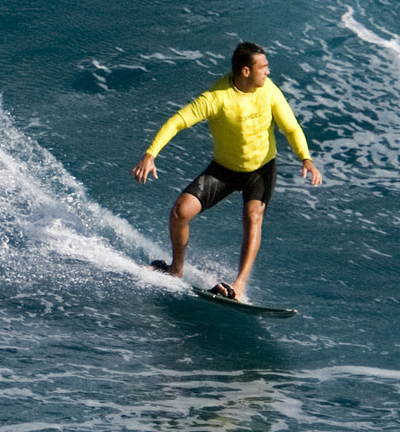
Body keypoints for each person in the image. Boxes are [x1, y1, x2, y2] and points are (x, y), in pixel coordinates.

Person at [133, 42, 322, 300]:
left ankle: (239, 285)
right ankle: (175, 269)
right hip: (224, 169)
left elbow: (290, 128)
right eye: (263, 67)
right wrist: (150, 154)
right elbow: (178, 121)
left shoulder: (269, 91)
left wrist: (306, 158)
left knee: (253, 215)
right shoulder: (217, 98)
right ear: (245, 71)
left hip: (261, 169)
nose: (268, 71)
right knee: (180, 211)